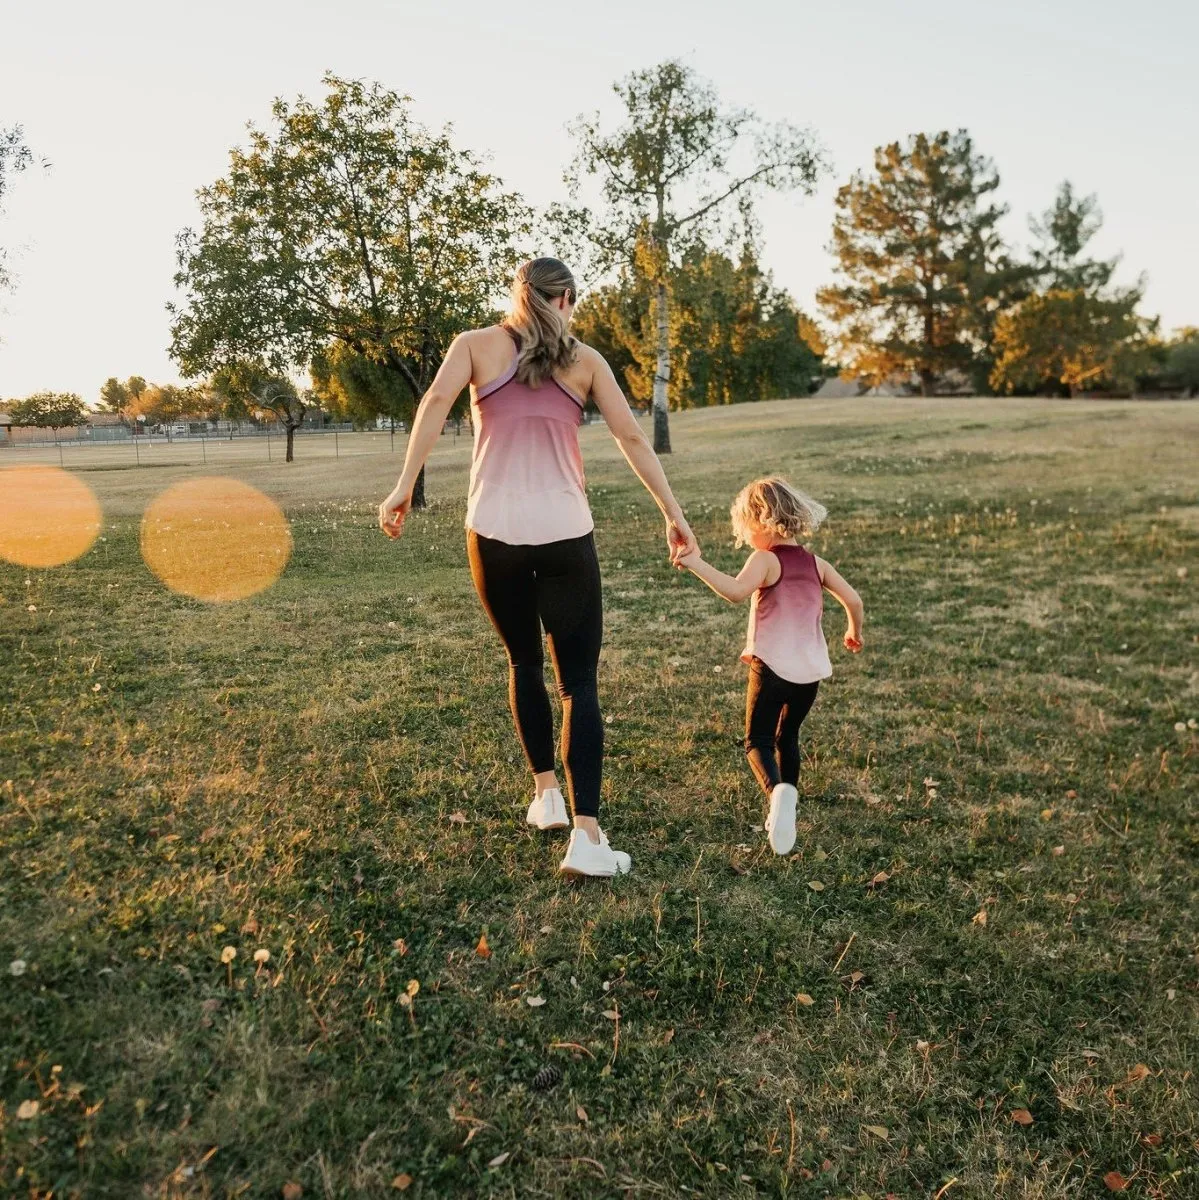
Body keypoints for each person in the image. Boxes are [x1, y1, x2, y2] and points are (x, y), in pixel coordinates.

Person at [378, 257, 696, 877]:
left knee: (522, 661)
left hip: (492, 532)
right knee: (578, 682)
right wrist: (672, 512)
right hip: (564, 533)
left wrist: (402, 486)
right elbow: (632, 438)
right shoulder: (586, 360)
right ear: (567, 298)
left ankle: (547, 793)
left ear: (516, 296)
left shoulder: (474, 346)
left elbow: (436, 403)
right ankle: (584, 834)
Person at [676, 478, 863, 855]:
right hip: (809, 674)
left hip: (771, 668)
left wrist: (693, 562)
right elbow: (854, 599)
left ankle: (777, 794)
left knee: (757, 741)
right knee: (788, 736)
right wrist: (852, 632)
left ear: (762, 521)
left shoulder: (765, 559)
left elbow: (733, 591)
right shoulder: (817, 563)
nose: (746, 537)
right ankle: (788, 808)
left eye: (746, 528)